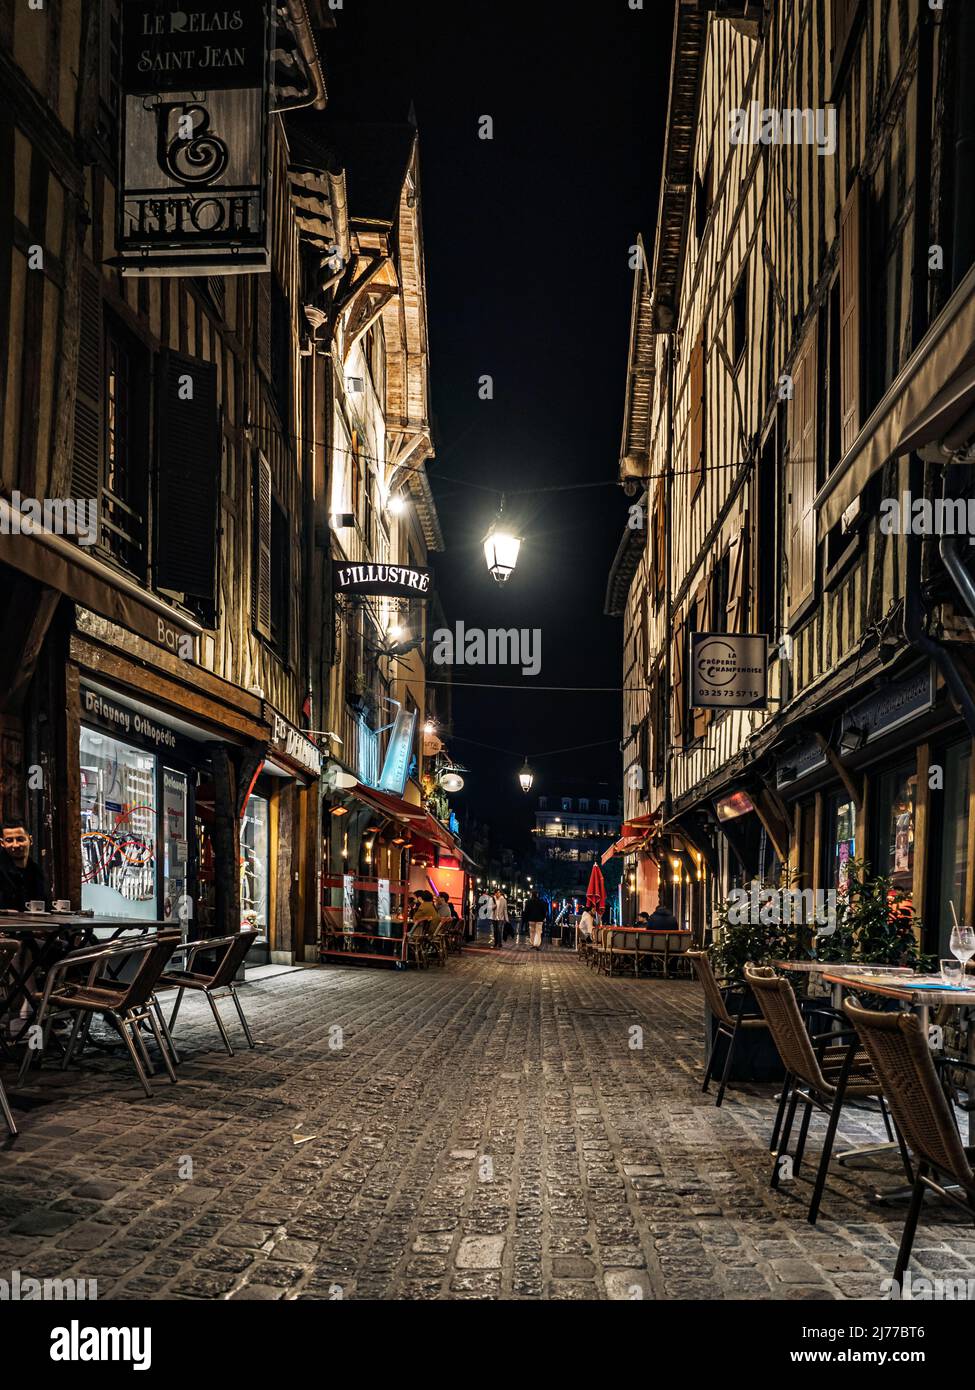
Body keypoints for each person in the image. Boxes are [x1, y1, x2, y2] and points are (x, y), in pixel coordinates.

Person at [0, 821, 50, 910]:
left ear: (30, 840)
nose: (15, 845)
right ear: (2, 843)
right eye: (9, 840)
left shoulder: (36, 872)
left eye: (20, 839)